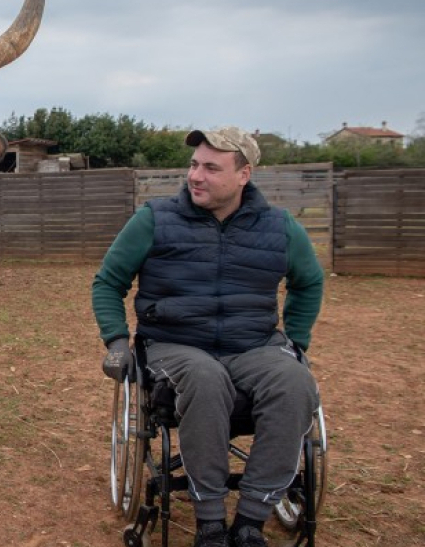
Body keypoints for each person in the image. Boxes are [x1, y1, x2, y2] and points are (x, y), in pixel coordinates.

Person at [92, 127, 325, 547]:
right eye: (194, 165)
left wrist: (297, 341)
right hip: (173, 344)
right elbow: (108, 282)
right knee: (204, 376)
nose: (195, 176)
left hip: (253, 345)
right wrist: (116, 340)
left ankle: (252, 518)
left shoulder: (279, 227)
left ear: (243, 174)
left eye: (211, 168)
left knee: (295, 382)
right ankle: (211, 522)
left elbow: (309, 282)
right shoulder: (154, 219)